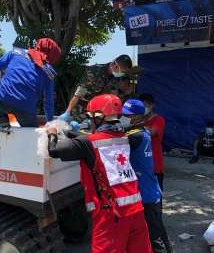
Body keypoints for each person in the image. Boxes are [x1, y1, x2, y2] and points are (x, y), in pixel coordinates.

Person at [47, 94, 151, 253]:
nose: (89, 120)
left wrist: (52, 132)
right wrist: (74, 134)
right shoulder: (123, 138)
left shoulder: (88, 144)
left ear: (99, 117)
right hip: (136, 210)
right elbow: (98, 138)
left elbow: (53, 150)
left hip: (111, 213)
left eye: (90, 116)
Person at [122, 99, 171, 253]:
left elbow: (109, 140)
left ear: (137, 117)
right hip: (150, 190)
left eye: (127, 115)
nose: (123, 117)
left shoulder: (135, 136)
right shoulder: (142, 132)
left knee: (154, 237)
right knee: (156, 230)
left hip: (146, 193)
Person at [58, 54, 137, 123]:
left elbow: (111, 96)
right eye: (123, 71)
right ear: (116, 66)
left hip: (96, 110)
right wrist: (68, 112)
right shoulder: (94, 71)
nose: (122, 74)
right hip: (80, 108)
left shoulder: (115, 78)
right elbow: (78, 94)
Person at [139, 93, 166, 190]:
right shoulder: (137, 119)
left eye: (147, 105)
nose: (145, 108)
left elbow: (150, 133)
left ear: (152, 105)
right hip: (140, 165)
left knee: (156, 197)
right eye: (142, 106)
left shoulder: (159, 120)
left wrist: (136, 126)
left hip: (155, 165)